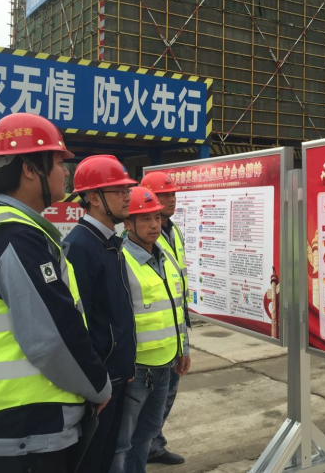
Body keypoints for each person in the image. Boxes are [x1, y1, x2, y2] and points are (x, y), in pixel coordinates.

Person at [0, 113, 111, 473]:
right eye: (57, 162)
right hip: (20, 432)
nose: (65, 172)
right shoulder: (14, 235)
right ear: (29, 169)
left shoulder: (4, 226)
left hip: (12, 426)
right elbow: (52, 338)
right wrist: (98, 385)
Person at [63, 155, 139, 473]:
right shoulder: (80, 247)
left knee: (108, 455)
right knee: (92, 461)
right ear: (94, 198)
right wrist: (96, 381)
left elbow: (115, 312)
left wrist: (126, 363)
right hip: (100, 383)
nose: (127, 196)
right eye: (119, 190)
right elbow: (76, 326)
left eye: (127, 189)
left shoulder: (110, 243)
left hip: (118, 375)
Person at [111, 186, 190, 473]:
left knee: (147, 433)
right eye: (145, 219)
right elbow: (114, 320)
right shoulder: (119, 259)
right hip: (136, 369)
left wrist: (183, 348)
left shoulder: (165, 255)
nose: (154, 225)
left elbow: (176, 306)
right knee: (122, 441)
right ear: (128, 223)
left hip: (165, 363)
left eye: (156, 217)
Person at [141, 171, 191, 466]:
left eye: (173, 194)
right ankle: (144, 446)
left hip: (175, 322)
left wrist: (184, 340)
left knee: (168, 391)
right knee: (149, 399)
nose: (171, 199)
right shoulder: (136, 236)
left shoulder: (173, 231)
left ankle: (153, 444)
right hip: (153, 332)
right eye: (164, 195)